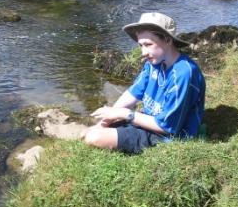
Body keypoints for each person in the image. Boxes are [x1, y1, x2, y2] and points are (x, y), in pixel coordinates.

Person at [81, 12, 206, 154]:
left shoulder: (184, 74)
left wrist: (125, 114)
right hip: (149, 121)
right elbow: (133, 94)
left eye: (148, 44)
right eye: (141, 45)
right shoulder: (154, 62)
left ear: (167, 39)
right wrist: (105, 122)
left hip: (167, 136)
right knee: (90, 131)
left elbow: (167, 127)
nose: (143, 52)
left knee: (93, 137)